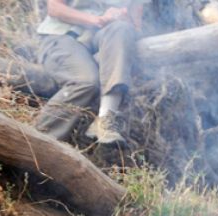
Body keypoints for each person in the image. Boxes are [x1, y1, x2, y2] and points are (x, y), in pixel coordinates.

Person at [34, 0, 146, 146]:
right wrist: (97, 20)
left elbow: (137, 27)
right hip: (64, 36)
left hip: (102, 40)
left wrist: (126, 20)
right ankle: (37, 144)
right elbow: (55, 8)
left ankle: (105, 119)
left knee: (122, 28)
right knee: (86, 81)